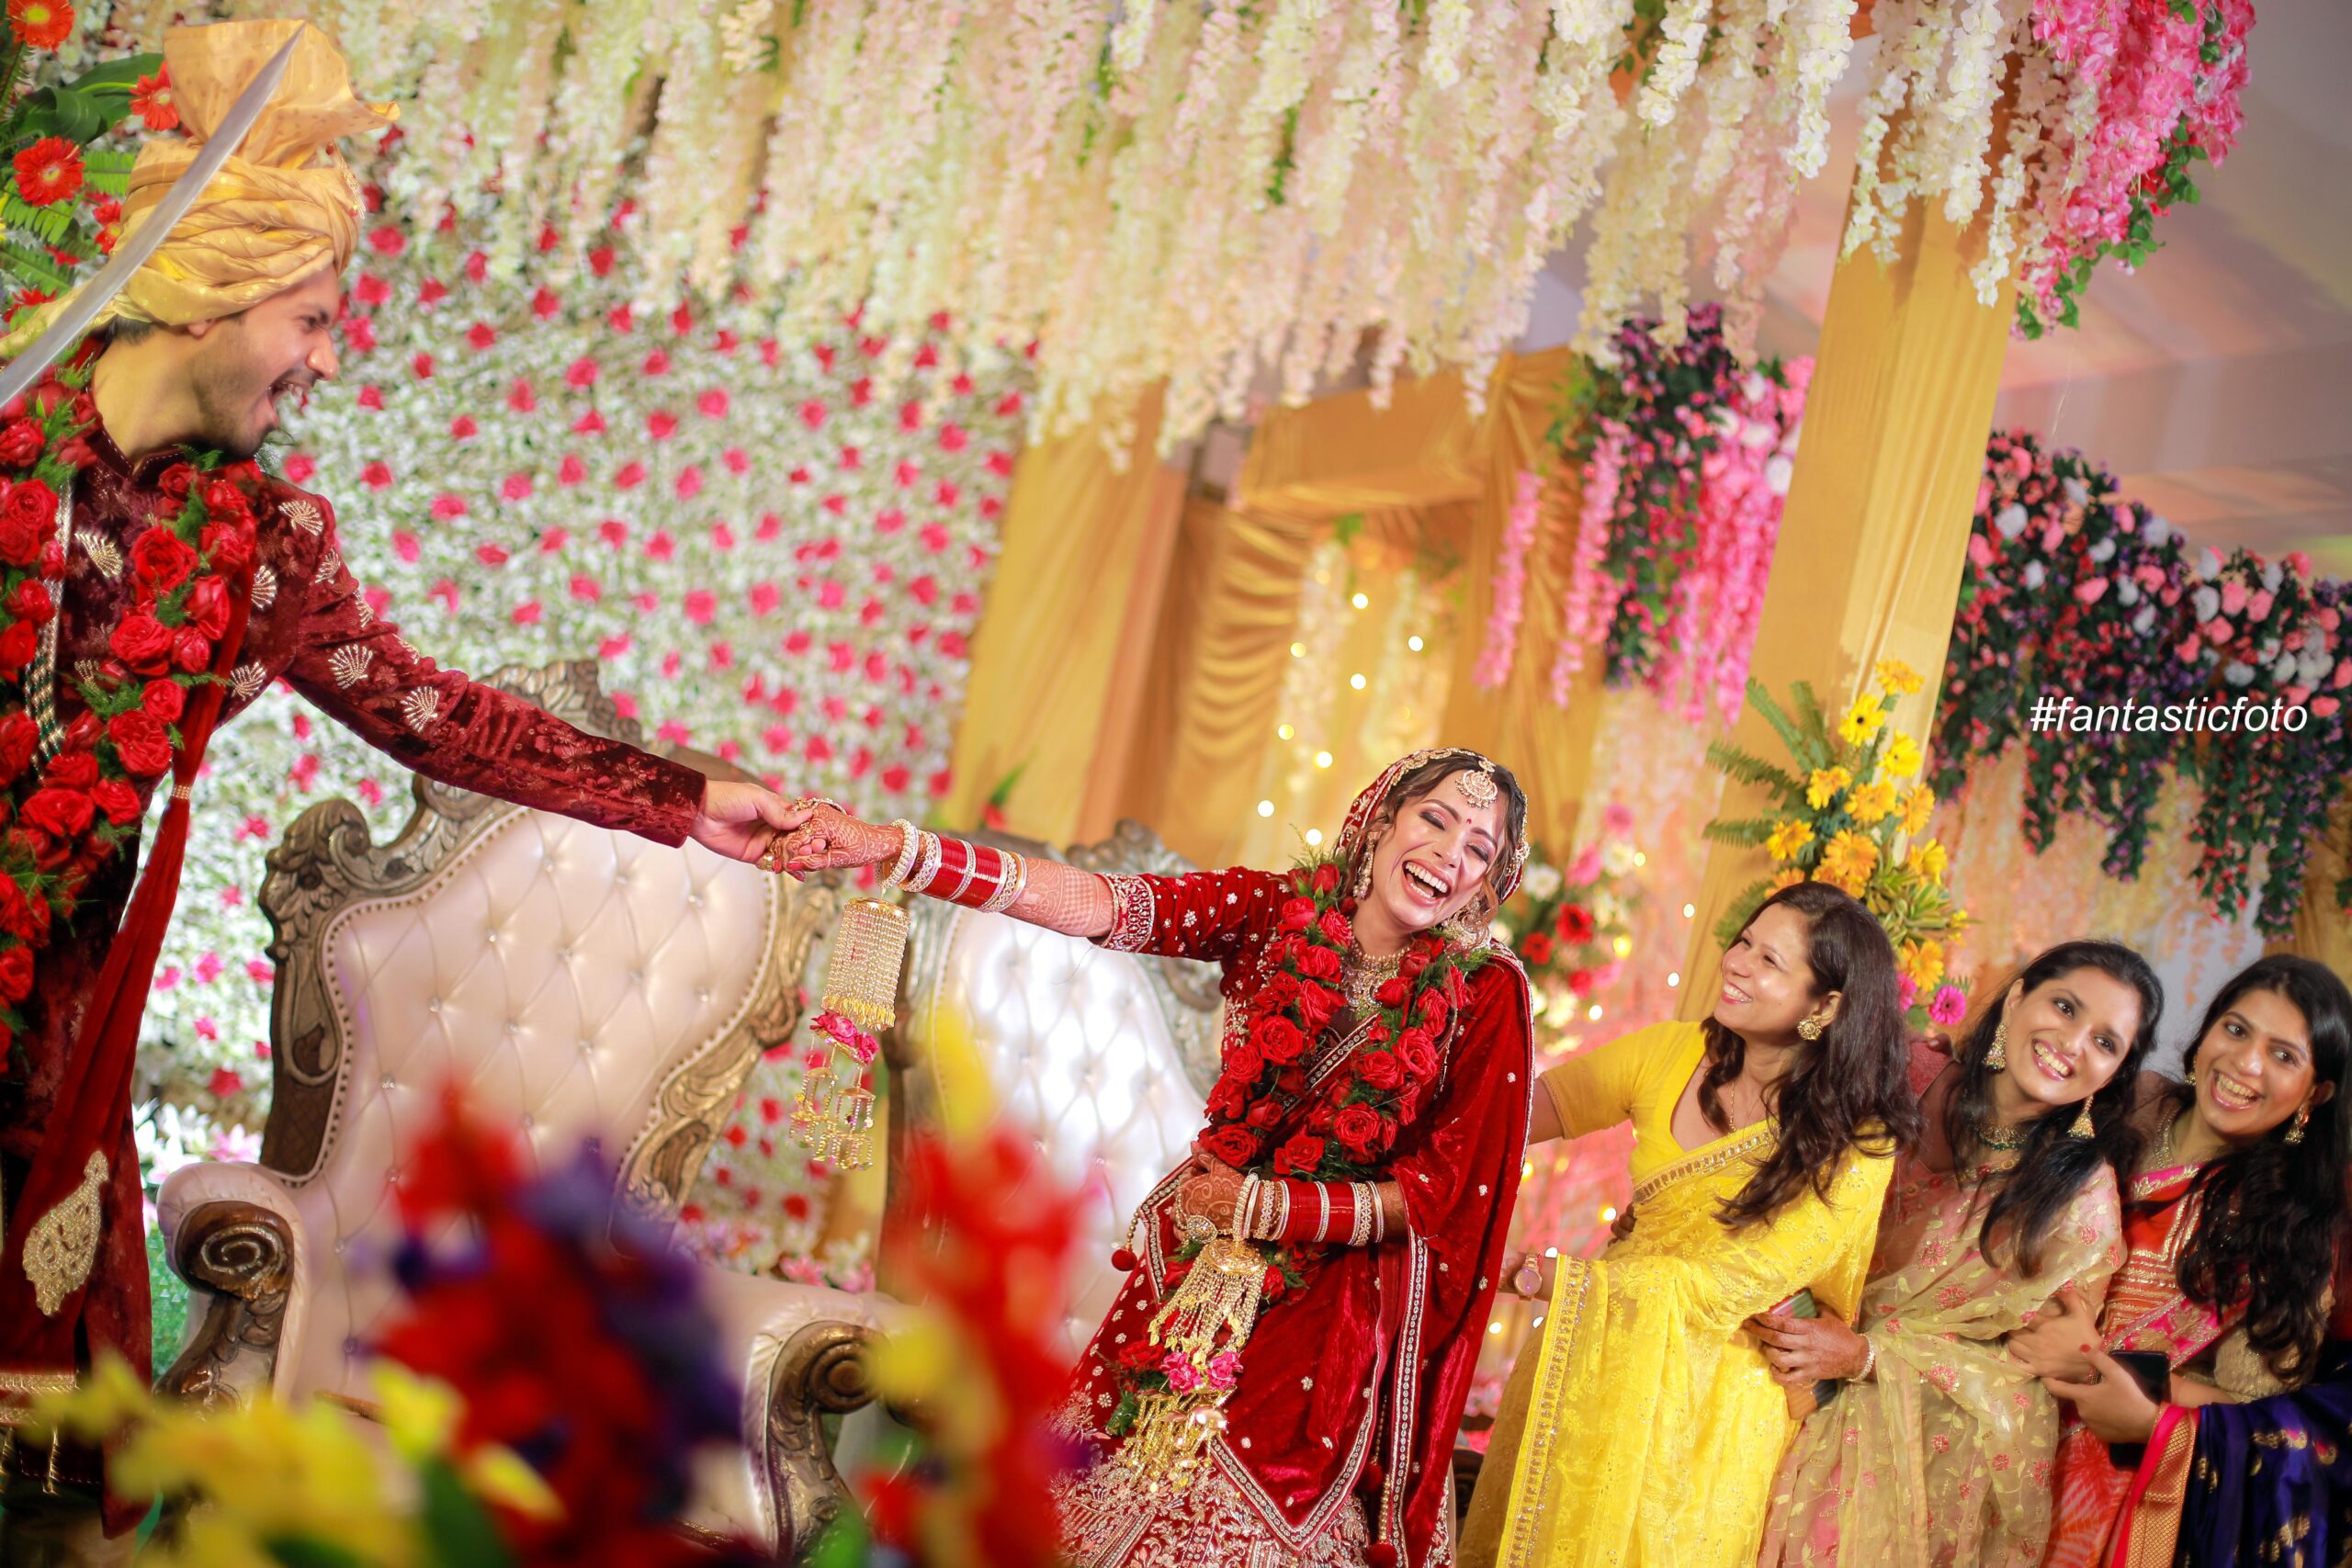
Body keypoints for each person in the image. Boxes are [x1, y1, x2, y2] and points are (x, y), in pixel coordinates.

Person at [0, 21, 807, 1558]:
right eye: (309, 319)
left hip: (58, 1044)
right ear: (214, 285)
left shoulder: (258, 548)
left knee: (51, 1478)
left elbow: (439, 718)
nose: (324, 359)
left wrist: (679, 797)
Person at [778, 748, 1538, 1568]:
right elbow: (1102, 903)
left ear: (1486, 882)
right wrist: (900, 848)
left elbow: (1440, 1197)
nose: (1448, 855)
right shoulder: (1277, 912)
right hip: (1186, 1281)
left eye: (1478, 848)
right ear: (1383, 820)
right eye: (1435, 819)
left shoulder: (1486, 992)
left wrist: (1262, 1206)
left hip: (1327, 1330)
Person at [1459, 880, 1916, 1568]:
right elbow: (1511, 1112)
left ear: (1825, 1006)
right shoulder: (1670, 1053)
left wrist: (1533, 1276)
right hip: (1596, 1364)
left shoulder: (1856, 1145)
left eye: (1769, 960)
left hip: (1713, 1416)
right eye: (1744, 942)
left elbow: (1726, 1284)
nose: (1737, 963)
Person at [1754, 941, 2164, 1567]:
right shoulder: (1905, 1076)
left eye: (2105, 1042)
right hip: (1759, 1364)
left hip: (1885, 1474)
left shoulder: (2080, 1204)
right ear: (2018, 997)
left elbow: (2019, 1383)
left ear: (2113, 1072)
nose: (2073, 1043)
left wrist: (1865, 1357)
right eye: (2064, 1006)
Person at [2010, 954, 2352, 1567]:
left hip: (2092, 1488)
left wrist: (2106, 1369)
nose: (2245, 1063)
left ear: (2315, 1094)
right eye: (2236, 1029)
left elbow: (2251, 1410)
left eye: (2283, 1055)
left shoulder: (2289, 1231)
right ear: (2206, 1031)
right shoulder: (2118, 1098)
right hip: (1973, 1399)